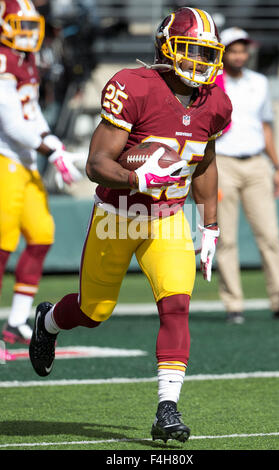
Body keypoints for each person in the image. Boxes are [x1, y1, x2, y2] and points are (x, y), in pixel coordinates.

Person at [29, 7, 232, 443]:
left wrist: (210, 226)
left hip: (168, 218)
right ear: (165, 47)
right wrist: (136, 176)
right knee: (93, 310)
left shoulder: (215, 101)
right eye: (191, 49)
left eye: (206, 52)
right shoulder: (133, 86)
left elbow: (205, 165)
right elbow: (96, 163)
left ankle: (167, 408)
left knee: (176, 306)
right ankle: (48, 322)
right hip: (118, 216)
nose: (199, 61)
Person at [0, 0, 82, 347]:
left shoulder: (27, 59)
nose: (29, 34)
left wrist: (53, 142)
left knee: (41, 234)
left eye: (33, 26)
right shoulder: (3, 59)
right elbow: (11, 123)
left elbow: (31, 113)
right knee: (2, 245)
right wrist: (50, 150)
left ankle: (17, 320)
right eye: (22, 26)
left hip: (26, 162)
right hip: (5, 160)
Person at [215, 27, 279, 324]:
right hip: (222, 163)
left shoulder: (260, 83)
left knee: (271, 235)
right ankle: (233, 305)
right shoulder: (211, 83)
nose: (239, 55)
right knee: (225, 239)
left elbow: (266, 128)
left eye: (243, 49)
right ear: (223, 52)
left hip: (255, 164)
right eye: (233, 50)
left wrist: (276, 166)